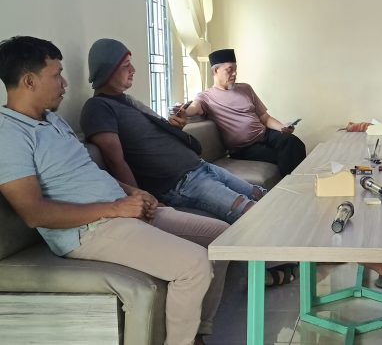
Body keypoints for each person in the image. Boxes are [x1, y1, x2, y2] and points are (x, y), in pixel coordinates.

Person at [0, 36, 230, 345]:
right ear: (29, 81)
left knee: (223, 238)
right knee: (194, 264)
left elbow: (90, 172)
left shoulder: (52, 120)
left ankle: (199, 329)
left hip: (121, 210)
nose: (65, 84)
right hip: (87, 231)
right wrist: (116, 208)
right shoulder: (9, 135)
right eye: (56, 75)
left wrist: (133, 193)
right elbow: (34, 213)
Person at [80, 39, 265, 224]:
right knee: (251, 211)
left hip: (200, 166)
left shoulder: (129, 102)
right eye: (127, 65)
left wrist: (176, 127)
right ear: (108, 69)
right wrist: (140, 198)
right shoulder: (97, 107)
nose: (133, 70)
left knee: (260, 195)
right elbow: (115, 160)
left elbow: (155, 137)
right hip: (182, 183)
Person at [180, 49, 306, 176]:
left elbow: (265, 117)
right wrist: (183, 111)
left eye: (235, 69)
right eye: (230, 70)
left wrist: (282, 127)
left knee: (294, 143)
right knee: (287, 155)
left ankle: (300, 183)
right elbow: (194, 108)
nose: (234, 74)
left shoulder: (246, 88)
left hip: (265, 134)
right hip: (244, 148)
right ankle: (292, 186)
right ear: (216, 71)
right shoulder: (205, 96)